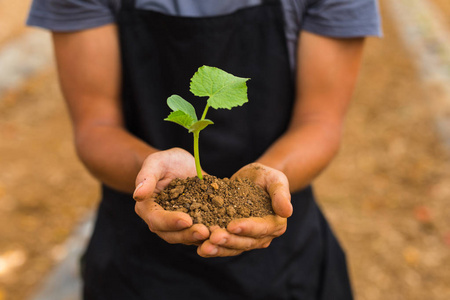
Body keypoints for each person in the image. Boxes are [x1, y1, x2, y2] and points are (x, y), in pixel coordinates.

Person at [27, 0, 381, 299]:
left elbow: (320, 121)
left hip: (284, 260)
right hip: (138, 255)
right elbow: (96, 126)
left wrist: (272, 175)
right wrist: (149, 170)